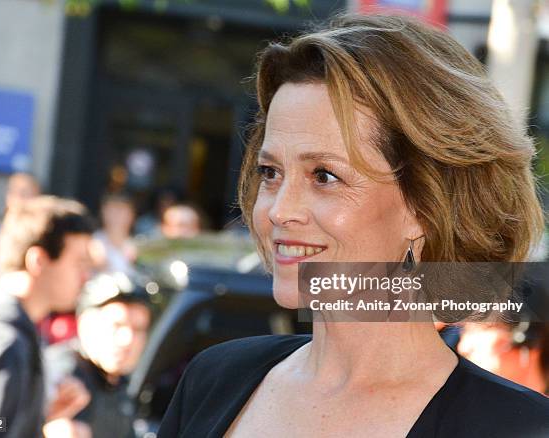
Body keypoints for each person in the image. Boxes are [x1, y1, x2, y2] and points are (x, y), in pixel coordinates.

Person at [159, 13, 549, 438]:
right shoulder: (213, 380)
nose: (278, 209)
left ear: (425, 206)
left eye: (324, 176)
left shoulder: (515, 428)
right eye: (270, 172)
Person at [0, 196, 95, 437]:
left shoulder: (10, 331)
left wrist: (35, 419)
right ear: (38, 261)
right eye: (79, 262)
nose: (86, 275)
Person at [46, 272, 152, 438]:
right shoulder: (60, 371)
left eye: (138, 329)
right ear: (85, 325)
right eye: (116, 325)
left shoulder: (119, 380)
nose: (127, 340)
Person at [93, 193, 138, 275]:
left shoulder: (137, 244)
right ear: (103, 211)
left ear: (132, 214)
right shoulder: (93, 242)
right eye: (112, 209)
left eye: (121, 209)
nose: (116, 214)